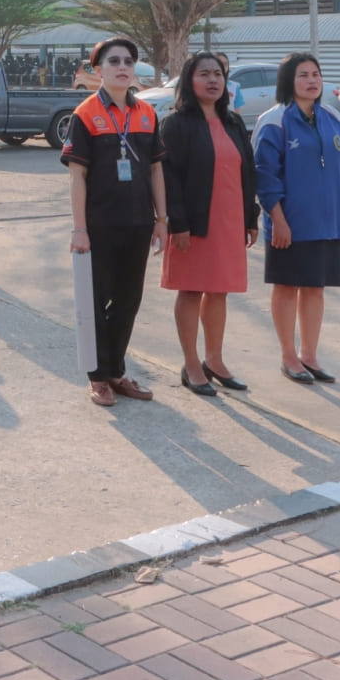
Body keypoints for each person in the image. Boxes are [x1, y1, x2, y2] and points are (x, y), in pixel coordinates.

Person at [62, 35, 167, 407]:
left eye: (128, 61)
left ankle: (117, 372)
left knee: (128, 301)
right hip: (99, 225)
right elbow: (77, 176)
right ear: (98, 70)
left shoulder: (147, 113)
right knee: (96, 301)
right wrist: (79, 229)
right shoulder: (85, 114)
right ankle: (98, 377)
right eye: (114, 61)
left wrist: (161, 219)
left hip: (139, 223)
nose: (123, 67)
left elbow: (156, 170)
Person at [253, 51, 340, 385]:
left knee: (315, 289)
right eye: (303, 75)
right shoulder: (274, 121)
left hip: (328, 222)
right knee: (287, 287)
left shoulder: (334, 119)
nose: (312, 81)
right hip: (290, 224)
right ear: (288, 80)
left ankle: (309, 355)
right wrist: (277, 219)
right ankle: (288, 356)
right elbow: (265, 176)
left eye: (316, 74)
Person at [157, 52, 258, 397]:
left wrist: (251, 217)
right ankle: (191, 364)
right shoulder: (176, 124)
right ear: (189, 80)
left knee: (219, 290)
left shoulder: (233, 123)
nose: (213, 80)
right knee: (191, 289)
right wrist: (178, 223)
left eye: (218, 74)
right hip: (193, 223)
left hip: (229, 221)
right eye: (204, 74)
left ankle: (214, 359)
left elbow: (248, 172)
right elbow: (168, 178)